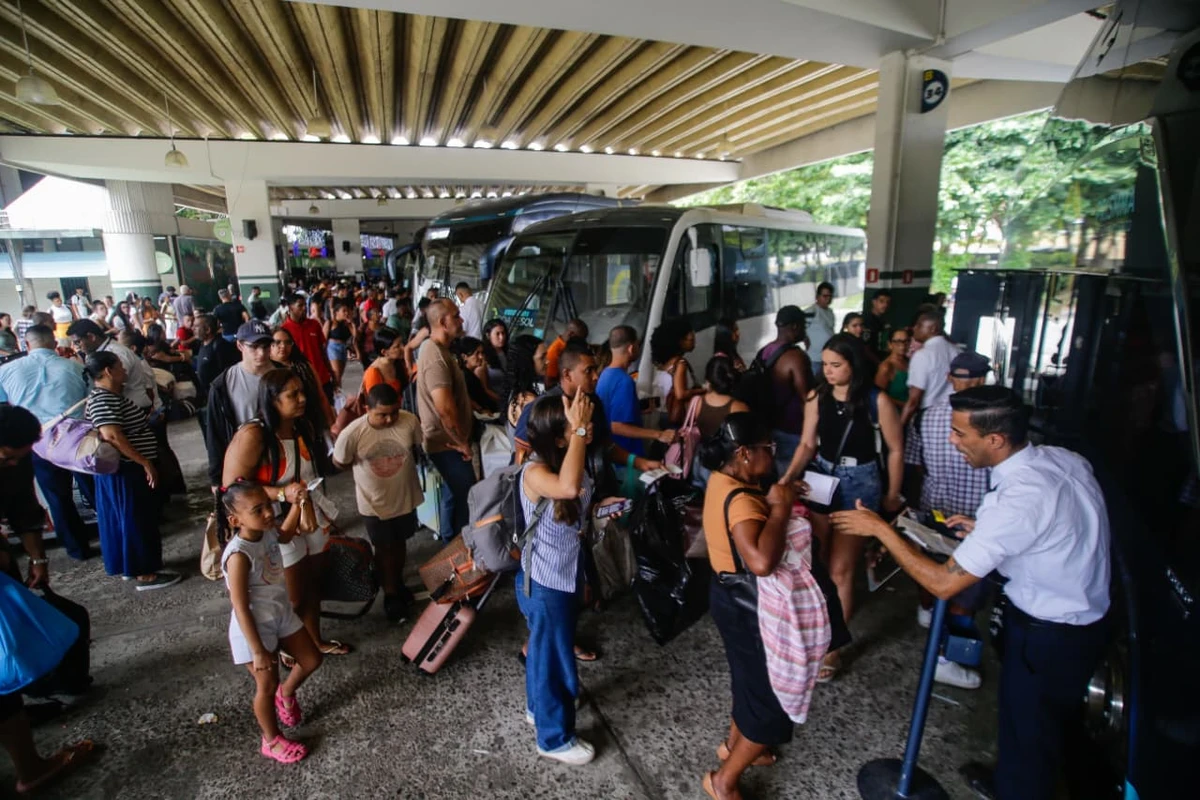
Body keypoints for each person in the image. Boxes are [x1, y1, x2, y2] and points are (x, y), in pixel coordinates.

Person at [832, 386, 1110, 800]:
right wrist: (985, 533)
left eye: (961, 433)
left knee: (1031, 736)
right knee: (1031, 723)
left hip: (1049, 635)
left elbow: (943, 583)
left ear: (995, 439)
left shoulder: (1017, 501)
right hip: (1079, 626)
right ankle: (1008, 780)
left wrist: (882, 531)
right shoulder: (1062, 458)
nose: (952, 440)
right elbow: (1051, 527)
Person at [779, 333, 904, 680]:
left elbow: (895, 449)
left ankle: (834, 647)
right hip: (822, 477)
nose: (828, 371)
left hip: (860, 482)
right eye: (825, 364)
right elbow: (807, 444)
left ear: (854, 364)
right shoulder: (816, 397)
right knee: (817, 560)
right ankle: (815, 626)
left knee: (841, 568)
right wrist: (788, 477)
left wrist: (893, 494)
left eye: (836, 365)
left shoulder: (877, 400)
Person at [697, 413, 801, 800]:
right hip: (746, 605)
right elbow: (760, 562)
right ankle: (724, 782)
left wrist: (776, 497)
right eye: (767, 449)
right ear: (743, 453)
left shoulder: (722, 479)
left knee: (748, 679)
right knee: (771, 699)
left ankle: (733, 745)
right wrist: (782, 509)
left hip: (727, 595)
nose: (772, 455)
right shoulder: (742, 502)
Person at [0, 405, 99, 793]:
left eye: (18, 458)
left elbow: (24, 509)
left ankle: (23, 701)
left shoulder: (19, 459)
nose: (12, 464)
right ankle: (31, 769)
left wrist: (38, 559)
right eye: (6, 457)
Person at [222, 369, 349, 658]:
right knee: (293, 594)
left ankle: (314, 640)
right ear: (272, 400)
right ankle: (287, 648)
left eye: (302, 392)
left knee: (313, 584)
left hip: (309, 514)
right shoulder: (253, 435)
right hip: (276, 523)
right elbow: (233, 488)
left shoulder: (300, 426)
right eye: (292, 395)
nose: (302, 399)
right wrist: (280, 494)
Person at [516, 393, 598, 765]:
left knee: (543, 651)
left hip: (563, 574)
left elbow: (574, 499)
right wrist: (579, 429)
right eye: (578, 425)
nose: (587, 428)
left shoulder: (569, 458)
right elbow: (566, 489)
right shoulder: (534, 471)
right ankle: (553, 739)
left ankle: (538, 709)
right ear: (560, 437)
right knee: (554, 659)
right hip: (545, 582)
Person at [218, 481, 323, 764]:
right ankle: (271, 740)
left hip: (279, 613)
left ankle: (286, 693)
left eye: (268, 506)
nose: (267, 513)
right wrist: (257, 650)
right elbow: (240, 606)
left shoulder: (266, 532)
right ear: (236, 520)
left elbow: (286, 535)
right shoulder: (239, 555)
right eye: (258, 510)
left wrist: (297, 504)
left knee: (312, 659)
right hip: (253, 627)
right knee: (266, 685)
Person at [911, 350, 993, 690]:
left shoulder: (927, 416)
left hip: (934, 508)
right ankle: (945, 659)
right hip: (972, 515)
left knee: (929, 567)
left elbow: (916, 463)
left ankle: (927, 611)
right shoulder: (989, 421)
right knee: (965, 590)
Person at [82, 352, 180, 590]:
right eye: (120, 367)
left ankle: (132, 565)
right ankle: (145, 573)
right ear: (108, 371)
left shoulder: (109, 397)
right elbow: (112, 435)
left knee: (129, 518)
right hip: (126, 469)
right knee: (135, 518)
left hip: (126, 468)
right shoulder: (103, 399)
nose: (124, 371)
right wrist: (144, 462)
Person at [0, 325, 96, 559]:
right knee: (94, 491)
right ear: (54, 343)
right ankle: (114, 539)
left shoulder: (5, 371)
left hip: (34, 443)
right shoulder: (76, 367)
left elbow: (4, 411)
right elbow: (92, 401)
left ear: (26, 345)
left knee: (57, 498)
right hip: (77, 439)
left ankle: (77, 549)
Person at [515, 341, 660, 492]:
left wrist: (638, 462)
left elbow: (605, 445)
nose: (596, 376)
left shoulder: (593, 401)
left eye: (595, 369)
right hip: (560, 493)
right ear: (567, 374)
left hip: (597, 489)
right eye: (588, 371)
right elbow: (522, 459)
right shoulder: (541, 409)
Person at [333, 384, 424, 622]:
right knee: (384, 548)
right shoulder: (352, 433)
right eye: (382, 415)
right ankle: (390, 595)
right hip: (373, 502)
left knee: (400, 543)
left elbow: (417, 445)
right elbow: (339, 462)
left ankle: (397, 582)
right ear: (367, 409)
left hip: (404, 496)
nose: (389, 419)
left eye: (394, 412)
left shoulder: (409, 421)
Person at [416, 299, 476, 542]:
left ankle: (451, 541)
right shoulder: (434, 357)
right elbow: (445, 409)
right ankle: (459, 549)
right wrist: (461, 442)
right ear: (443, 322)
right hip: (448, 444)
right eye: (456, 316)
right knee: (467, 499)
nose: (461, 320)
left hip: (449, 442)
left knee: (454, 495)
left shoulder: (441, 350)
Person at [204, 320, 278, 489]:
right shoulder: (223, 385)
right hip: (245, 462)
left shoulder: (284, 375)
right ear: (240, 346)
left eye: (266, 346)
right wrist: (216, 479)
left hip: (283, 457)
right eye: (254, 347)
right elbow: (215, 433)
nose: (261, 353)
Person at [596, 326, 674, 458]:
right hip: (626, 455)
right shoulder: (624, 381)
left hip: (611, 453)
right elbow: (616, 426)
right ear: (631, 348)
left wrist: (637, 410)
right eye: (638, 345)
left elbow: (609, 413)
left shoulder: (605, 374)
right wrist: (659, 434)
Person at [756, 306, 812, 478]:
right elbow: (807, 399)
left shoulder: (764, 351)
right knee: (794, 480)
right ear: (795, 326)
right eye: (804, 325)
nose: (805, 329)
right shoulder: (796, 357)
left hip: (770, 427)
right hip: (793, 431)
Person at [66, 319, 160, 414]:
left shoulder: (117, 353)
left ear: (91, 337)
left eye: (78, 342)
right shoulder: (96, 353)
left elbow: (112, 388)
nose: (76, 347)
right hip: (122, 408)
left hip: (133, 410)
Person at [900, 311, 961, 427]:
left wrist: (900, 427)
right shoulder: (957, 351)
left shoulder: (923, 355)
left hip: (927, 418)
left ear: (933, 329)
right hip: (952, 418)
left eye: (919, 325)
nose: (914, 328)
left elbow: (913, 401)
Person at [269, 328, 335, 434]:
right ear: (269, 345)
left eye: (287, 342)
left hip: (312, 421)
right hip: (284, 428)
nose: (283, 346)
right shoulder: (267, 372)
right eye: (277, 342)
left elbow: (321, 396)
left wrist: (332, 424)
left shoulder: (304, 366)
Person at [650, 318, 703, 426]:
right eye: (690, 338)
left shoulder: (662, 365)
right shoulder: (680, 364)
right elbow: (680, 394)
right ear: (680, 341)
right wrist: (702, 390)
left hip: (662, 414)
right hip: (677, 417)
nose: (694, 339)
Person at [280, 294, 333, 399]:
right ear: (291, 308)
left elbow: (322, 351)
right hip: (302, 381)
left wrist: (331, 372)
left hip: (322, 377)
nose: (304, 308)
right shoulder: (284, 330)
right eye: (300, 306)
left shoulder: (314, 325)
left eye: (305, 305)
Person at [505, 334, 547, 436]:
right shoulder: (526, 401)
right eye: (542, 357)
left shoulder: (517, 391)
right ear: (527, 361)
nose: (547, 361)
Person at [452, 336, 499, 415]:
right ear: (464, 357)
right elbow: (467, 398)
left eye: (482, 353)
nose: (481, 357)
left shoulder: (470, 374)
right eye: (477, 354)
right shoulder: (465, 376)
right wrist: (481, 410)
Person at [361, 326, 406, 395]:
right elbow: (377, 401)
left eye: (402, 343)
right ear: (384, 352)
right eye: (397, 346)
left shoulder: (397, 362)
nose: (403, 348)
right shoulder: (373, 373)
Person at [545, 319, 588, 388]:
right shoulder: (553, 352)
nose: (583, 342)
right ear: (571, 334)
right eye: (580, 339)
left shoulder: (569, 345)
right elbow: (548, 382)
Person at [875, 327, 911, 409]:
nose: (903, 345)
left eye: (906, 341)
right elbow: (877, 396)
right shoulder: (886, 367)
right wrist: (904, 405)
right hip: (894, 412)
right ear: (890, 344)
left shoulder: (909, 362)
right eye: (898, 341)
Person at [804, 281, 836, 372]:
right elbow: (800, 329)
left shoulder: (830, 312)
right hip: (814, 358)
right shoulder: (811, 311)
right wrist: (806, 341)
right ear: (817, 297)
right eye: (825, 296)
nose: (828, 299)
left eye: (830, 296)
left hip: (827, 357)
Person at [325, 302, 357, 388]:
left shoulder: (346, 324)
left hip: (344, 348)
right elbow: (323, 339)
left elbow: (355, 337)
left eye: (347, 311)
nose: (346, 313)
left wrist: (352, 323)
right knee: (337, 374)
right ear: (337, 312)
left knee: (344, 375)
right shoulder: (330, 323)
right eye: (344, 311)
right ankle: (336, 393)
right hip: (333, 348)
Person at [860, 289, 893, 361]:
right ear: (874, 302)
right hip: (870, 361)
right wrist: (878, 363)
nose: (885, 305)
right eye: (881, 301)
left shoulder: (883, 320)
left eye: (887, 302)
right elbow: (865, 348)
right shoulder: (867, 320)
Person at [482, 319, 509, 394]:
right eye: (497, 334)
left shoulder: (508, 352)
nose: (501, 337)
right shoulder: (483, 356)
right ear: (488, 335)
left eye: (503, 333)